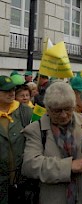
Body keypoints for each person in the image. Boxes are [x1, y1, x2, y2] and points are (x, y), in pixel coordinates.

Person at [22, 81, 82, 204]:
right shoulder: (36, 130)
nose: (64, 115)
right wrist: (68, 166)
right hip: (53, 197)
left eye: (68, 109)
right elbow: (30, 165)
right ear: (47, 108)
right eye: (57, 111)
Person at [0, 76, 33, 204]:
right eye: (6, 91)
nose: (11, 93)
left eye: (13, 90)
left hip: (21, 180)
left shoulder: (24, 111)